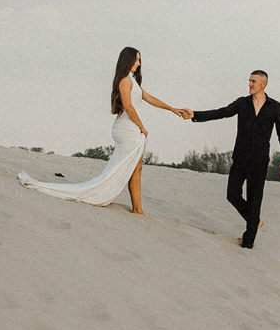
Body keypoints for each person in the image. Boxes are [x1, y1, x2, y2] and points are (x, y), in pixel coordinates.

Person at [16, 46, 185, 215]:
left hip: (130, 128)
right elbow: (128, 106)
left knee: (136, 168)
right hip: (128, 129)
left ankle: (138, 209)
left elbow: (149, 98)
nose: (138, 64)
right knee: (134, 168)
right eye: (135, 60)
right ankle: (137, 209)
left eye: (140, 60)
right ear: (127, 60)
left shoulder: (131, 80)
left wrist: (172, 109)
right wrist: (142, 126)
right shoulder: (124, 80)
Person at [188, 69, 280, 249]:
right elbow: (222, 112)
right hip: (240, 158)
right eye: (249, 81)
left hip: (259, 161)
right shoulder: (242, 103)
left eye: (253, 82)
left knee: (254, 199)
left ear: (263, 84)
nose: (250, 84)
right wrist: (195, 115)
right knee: (232, 194)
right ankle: (254, 220)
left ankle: (247, 244)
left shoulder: (275, 107)